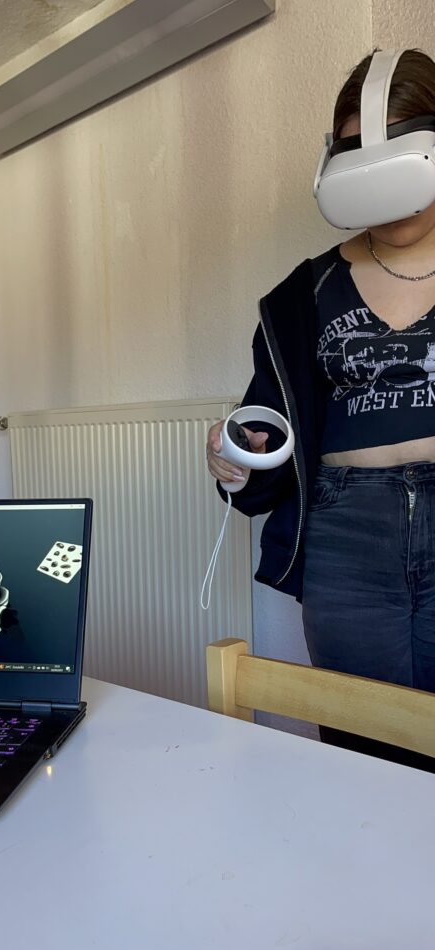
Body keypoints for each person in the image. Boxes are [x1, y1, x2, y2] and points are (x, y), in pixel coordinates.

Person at [206, 47, 435, 770]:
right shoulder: (300, 298)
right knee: (362, 750)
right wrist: (238, 457)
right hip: (347, 534)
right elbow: (269, 437)